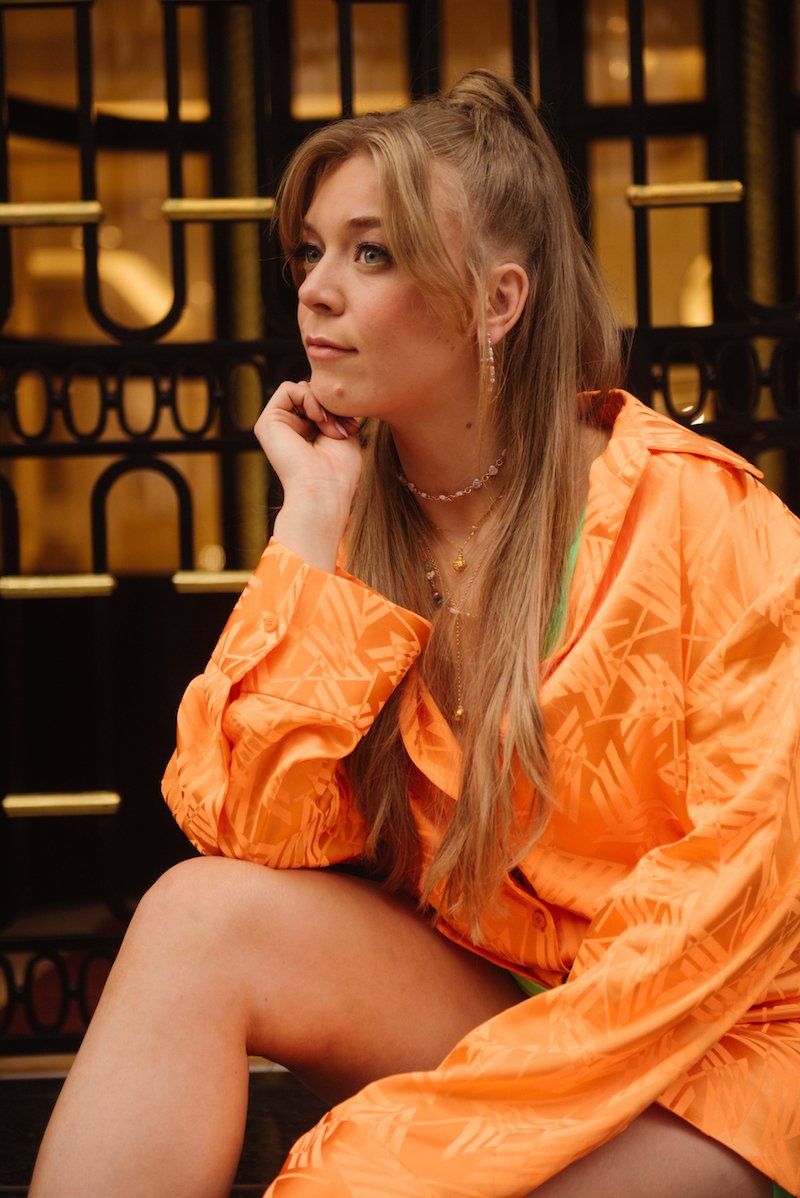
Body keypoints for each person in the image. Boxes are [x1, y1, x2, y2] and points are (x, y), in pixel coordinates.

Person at [29, 71, 800, 1198]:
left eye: (372, 253)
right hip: (500, 994)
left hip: (723, 1033)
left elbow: (734, 897)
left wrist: (424, 1132)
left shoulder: (700, 517)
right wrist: (307, 522)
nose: (315, 289)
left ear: (496, 301)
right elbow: (248, 829)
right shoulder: (354, 517)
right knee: (195, 917)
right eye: (311, 252)